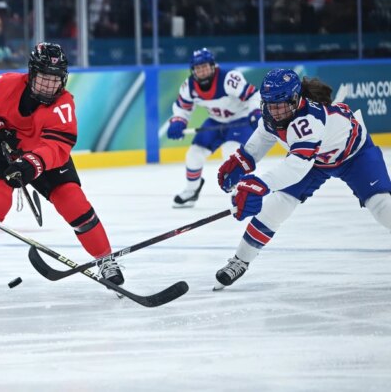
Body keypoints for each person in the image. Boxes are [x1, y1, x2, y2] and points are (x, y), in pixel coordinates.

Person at [0, 42, 124, 294]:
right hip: (0, 151)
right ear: (31, 73)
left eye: (56, 79)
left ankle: (106, 260)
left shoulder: (63, 104)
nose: (50, 85)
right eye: (44, 78)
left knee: (73, 202)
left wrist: (32, 164)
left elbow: (57, 146)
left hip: (42, 156)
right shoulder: (2, 85)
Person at [214, 69, 391, 289]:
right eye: (270, 104)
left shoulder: (309, 121)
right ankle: (240, 260)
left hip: (355, 155)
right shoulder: (272, 113)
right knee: (276, 206)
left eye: (279, 105)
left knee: (384, 209)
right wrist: (241, 162)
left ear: (295, 99)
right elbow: (262, 138)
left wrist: (259, 184)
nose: (275, 112)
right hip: (315, 161)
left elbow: (296, 167)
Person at [167, 48, 261, 208]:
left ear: (212, 66)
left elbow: (253, 95)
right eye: (198, 68)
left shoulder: (229, 78)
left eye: (204, 66)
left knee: (231, 152)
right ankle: (191, 190)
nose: (201, 71)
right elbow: (182, 108)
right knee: (194, 154)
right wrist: (178, 121)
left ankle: (239, 191)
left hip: (240, 119)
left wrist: (255, 112)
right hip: (215, 122)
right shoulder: (189, 86)